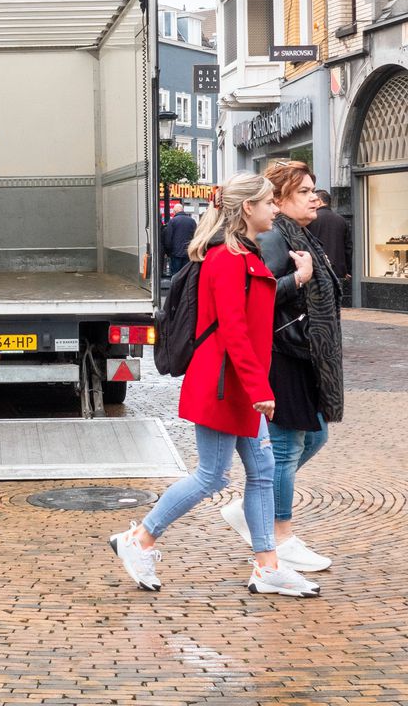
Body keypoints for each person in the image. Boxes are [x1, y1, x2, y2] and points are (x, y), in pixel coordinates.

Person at [109, 172, 319, 598]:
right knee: (211, 476)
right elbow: (235, 331)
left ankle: (267, 566)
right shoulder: (226, 259)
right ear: (248, 209)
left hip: (235, 382)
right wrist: (261, 388)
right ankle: (139, 540)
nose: (275, 209)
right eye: (268, 203)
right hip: (225, 384)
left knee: (260, 471)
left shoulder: (242, 254)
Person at [220, 161, 343, 573]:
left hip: (302, 355)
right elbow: (256, 300)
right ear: (281, 198)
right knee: (287, 447)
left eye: (314, 190)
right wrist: (301, 279)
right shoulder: (274, 239)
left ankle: (249, 507)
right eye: (304, 191)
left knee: (316, 436)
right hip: (280, 356)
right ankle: (279, 534)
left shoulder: (299, 233)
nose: (315, 197)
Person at [309, 189, 352, 280]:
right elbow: (348, 248)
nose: (310, 203)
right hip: (338, 272)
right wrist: (348, 270)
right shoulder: (341, 220)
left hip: (316, 271)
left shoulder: (310, 219)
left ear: (319, 202)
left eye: (313, 201)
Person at [161, 203, 197, 277]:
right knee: (186, 275)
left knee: (175, 275)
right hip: (188, 253)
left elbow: (168, 239)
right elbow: (195, 236)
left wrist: (168, 252)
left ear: (174, 212)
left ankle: (176, 288)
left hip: (176, 254)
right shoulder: (192, 221)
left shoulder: (173, 221)